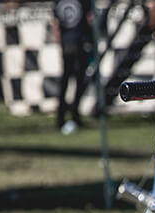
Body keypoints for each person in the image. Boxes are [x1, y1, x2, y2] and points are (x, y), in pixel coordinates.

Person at [52, 0, 92, 135]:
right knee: (74, 80)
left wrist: (60, 42)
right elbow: (89, 18)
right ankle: (70, 115)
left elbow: (55, 24)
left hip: (69, 42)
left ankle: (65, 116)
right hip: (78, 41)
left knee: (68, 80)